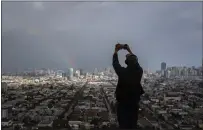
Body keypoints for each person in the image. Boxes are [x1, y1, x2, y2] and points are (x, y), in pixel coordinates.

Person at [112, 43, 145, 129]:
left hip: (123, 104)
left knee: (123, 125)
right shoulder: (139, 72)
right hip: (134, 104)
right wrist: (129, 50)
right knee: (133, 124)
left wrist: (116, 51)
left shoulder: (123, 73)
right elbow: (136, 62)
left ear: (126, 62)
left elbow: (115, 64)